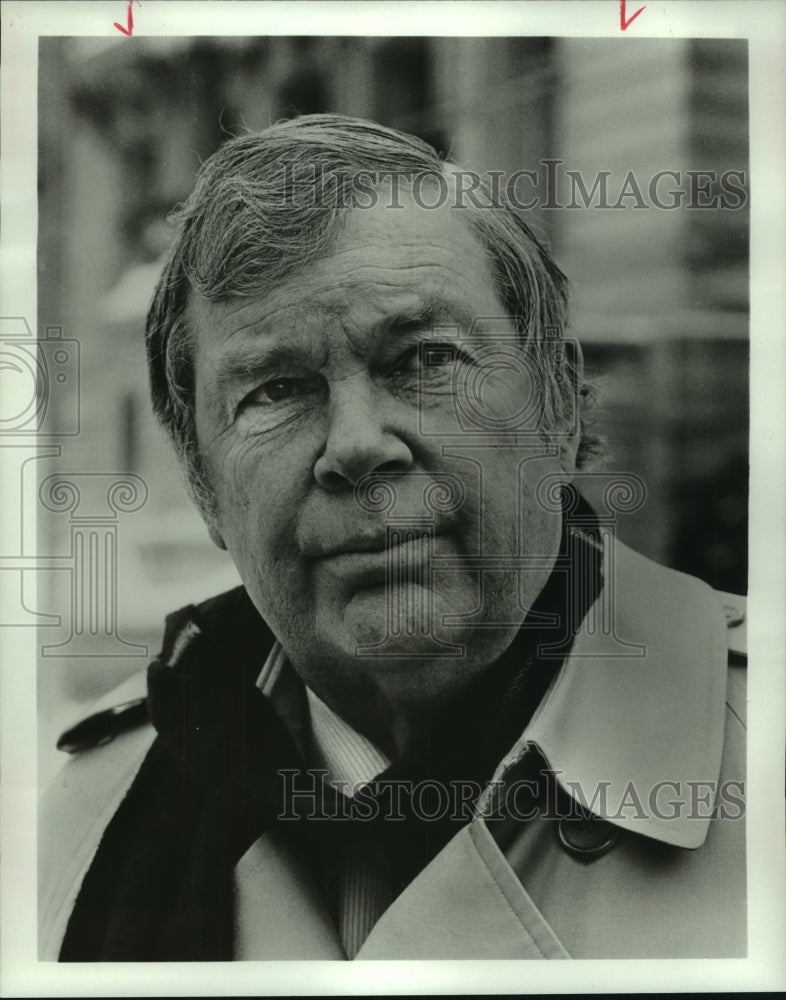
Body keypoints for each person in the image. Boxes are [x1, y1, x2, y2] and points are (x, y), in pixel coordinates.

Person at [39, 114, 747, 961]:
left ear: (556, 402)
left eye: (423, 358)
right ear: (204, 486)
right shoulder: (88, 824)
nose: (355, 445)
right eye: (274, 391)